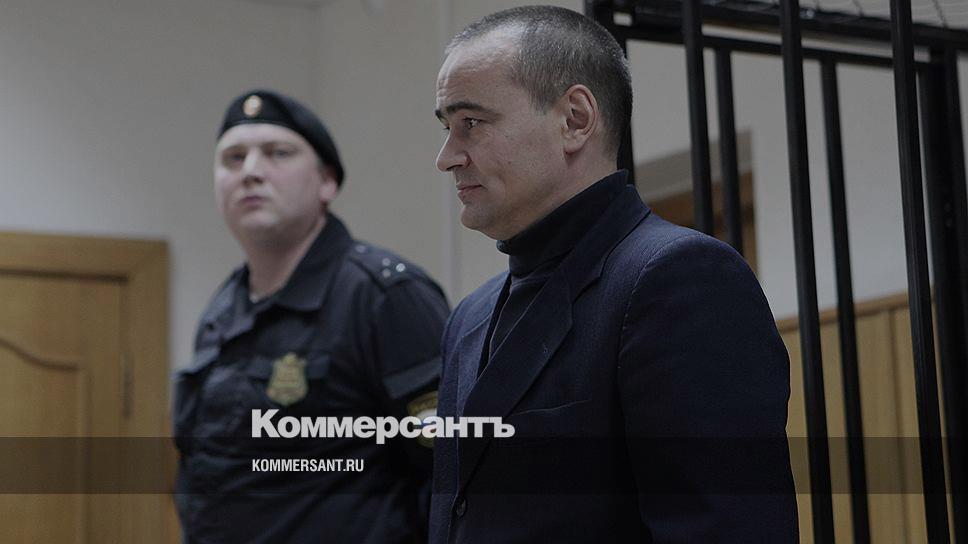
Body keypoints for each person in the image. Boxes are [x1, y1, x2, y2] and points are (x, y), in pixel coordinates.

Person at [430, 6, 798, 542]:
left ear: (575, 119)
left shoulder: (678, 279)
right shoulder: (469, 317)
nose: (446, 157)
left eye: (471, 123)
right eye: (447, 128)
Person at [172, 89, 449, 543]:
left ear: (327, 182)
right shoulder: (222, 311)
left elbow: (451, 472)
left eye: (277, 153)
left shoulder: (383, 296)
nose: (251, 171)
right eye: (233, 158)